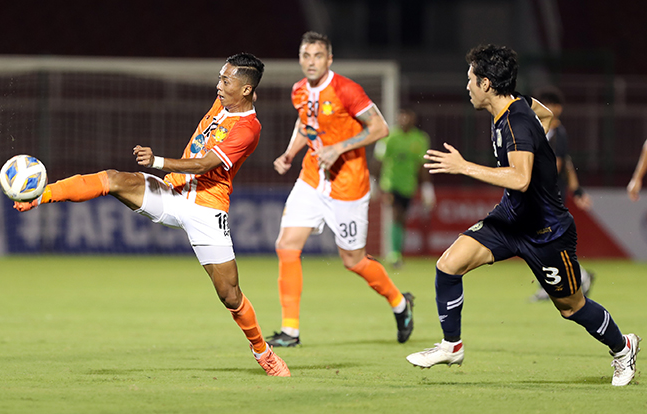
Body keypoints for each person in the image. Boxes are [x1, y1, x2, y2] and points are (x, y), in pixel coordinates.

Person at [13, 53, 290, 377]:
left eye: (226, 81)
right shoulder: (226, 104)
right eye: (220, 77)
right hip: (171, 193)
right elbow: (246, 93)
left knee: (230, 296)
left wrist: (157, 160)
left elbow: (204, 165)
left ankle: (263, 352)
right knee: (113, 179)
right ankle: (40, 195)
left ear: (244, 90)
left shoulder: (247, 130)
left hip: (206, 209)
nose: (218, 85)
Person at [405, 44, 640, 386]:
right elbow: (546, 116)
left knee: (571, 307)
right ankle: (451, 345)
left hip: (546, 232)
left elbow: (520, 177)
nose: (466, 86)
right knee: (448, 265)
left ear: (486, 84)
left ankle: (623, 348)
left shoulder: (514, 123)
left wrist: (463, 166)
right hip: (510, 220)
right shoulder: (520, 105)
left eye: (470, 79)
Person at [267, 31, 414, 347]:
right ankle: (290, 330)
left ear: (329, 59)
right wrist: (291, 153)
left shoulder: (347, 89)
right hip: (310, 179)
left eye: (317, 56)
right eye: (306, 56)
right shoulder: (298, 90)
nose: (311, 62)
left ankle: (400, 302)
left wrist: (339, 148)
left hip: (347, 184)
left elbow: (380, 128)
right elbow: (303, 123)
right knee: (286, 245)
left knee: (353, 261)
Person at [529, 86, 595, 301]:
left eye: (551, 105)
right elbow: (568, 164)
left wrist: (575, 190)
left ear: (557, 108)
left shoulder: (559, 132)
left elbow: (558, 165)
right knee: (543, 241)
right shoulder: (540, 129)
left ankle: (580, 276)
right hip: (541, 193)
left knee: (544, 241)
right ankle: (555, 283)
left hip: (548, 195)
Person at [373, 108, 435, 268]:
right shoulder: (388, 137)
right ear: (398, 118)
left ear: (413, 119)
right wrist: (373, 182)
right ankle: (393, 254)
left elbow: (422, 166)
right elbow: (378, 160)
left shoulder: (420, 139)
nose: (405, 120)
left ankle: (397, 253)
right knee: (395, 213)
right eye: (402, 117)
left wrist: (427, 187)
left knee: (401, 219)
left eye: (408, 117)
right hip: (390, 183)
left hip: (408, 185)